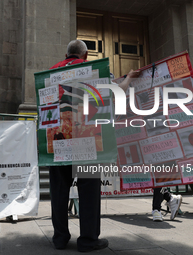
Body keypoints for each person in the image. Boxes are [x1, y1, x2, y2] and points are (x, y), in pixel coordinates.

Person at [49, 39, 140, 252]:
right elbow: (117, 92)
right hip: (87, 138)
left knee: (59, 190)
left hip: (58, 137)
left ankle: (60, 238)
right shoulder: (93, 70)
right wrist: (128, 78)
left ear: (66, 54)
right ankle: (88, 240)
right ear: (85, 55)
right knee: (89, 189)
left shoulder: (51, 72)